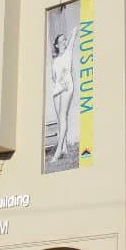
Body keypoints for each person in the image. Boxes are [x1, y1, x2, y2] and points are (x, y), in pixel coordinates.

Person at [50, 24, 78, 160]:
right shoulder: (54, 60)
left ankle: (58, 151)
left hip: (67, 86)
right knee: (60, 118)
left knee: (62, 117)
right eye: (61, 40)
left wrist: (75, 28)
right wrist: (58, 83)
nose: (64, 42)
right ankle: (65, 147)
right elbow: (53, 76)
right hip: (57, 89)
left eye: (65, 40)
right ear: (56, 45)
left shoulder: (68, 52)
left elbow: (73, 36)